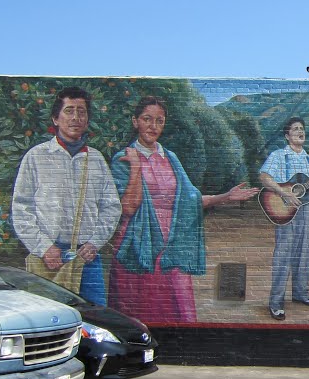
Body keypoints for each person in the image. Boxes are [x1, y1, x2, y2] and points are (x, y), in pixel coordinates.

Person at [108, 96, 258, 324]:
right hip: (138, 243)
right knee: (138, 309)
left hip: (173, 246)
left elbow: (189, 200)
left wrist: (225, 197)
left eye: (159, 121)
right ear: (135, 121)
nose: (153, 126)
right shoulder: (123, 159)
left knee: (175, 308)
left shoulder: (171, 158)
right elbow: (128, 208)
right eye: (147, 119)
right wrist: (137, 166)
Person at [11, 86, 121, 305]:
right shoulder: (36, 157)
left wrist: (94, 243)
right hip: (48, 258)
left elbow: (111, 207)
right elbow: (21, 209)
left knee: (96, 319)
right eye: (69, 110)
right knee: (48, 319)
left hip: (86, 258)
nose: (75, 117)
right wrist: (43, 247)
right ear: (55, 118)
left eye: (81, 112)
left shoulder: (96, 160)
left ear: (88, 120)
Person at [259, 117, 309, 321]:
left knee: (304, 253)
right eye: (295, 129)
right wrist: (283, 193)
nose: (300, 131)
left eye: (302, 128)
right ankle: (276, 303)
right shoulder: (279, 155)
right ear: (287, 135)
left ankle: (301, 293)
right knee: (283, 255)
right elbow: (264, 177)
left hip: (306, 209)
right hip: (284, 208)